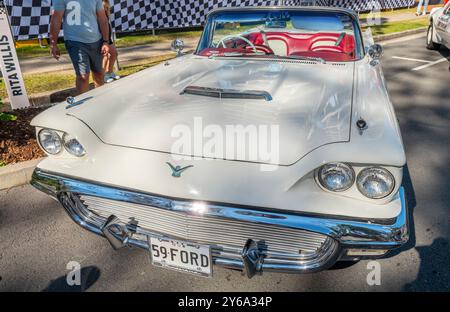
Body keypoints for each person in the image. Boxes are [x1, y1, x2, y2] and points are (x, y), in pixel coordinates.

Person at [50, 0, 111, 95]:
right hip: (74, 41)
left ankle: (101, 102)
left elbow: (102, 18)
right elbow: (56, 19)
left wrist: (106, 41)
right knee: (83, 76)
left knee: (99, 74)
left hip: (96, 40)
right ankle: (83, 106)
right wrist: (53, 44)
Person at [102, 0, 120, 83]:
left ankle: (109, 72)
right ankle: (103, 76)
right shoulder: (96, 4)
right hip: (100, 35)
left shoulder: (106, 4)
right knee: (105, 56)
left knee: (114, 53)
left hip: (107, 35)